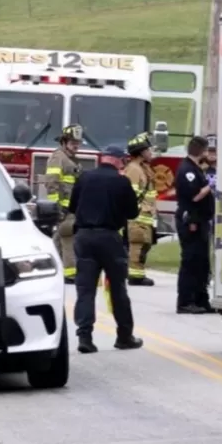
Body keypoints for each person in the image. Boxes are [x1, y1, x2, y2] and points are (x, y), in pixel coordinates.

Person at [68, 144, 143, 354]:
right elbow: (132, 213)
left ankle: (84, 337)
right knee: (118, 288)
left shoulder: (84, 178)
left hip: (84, 237)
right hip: (109, 238)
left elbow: (73, 207)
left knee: (85, 290)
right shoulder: (121, 182)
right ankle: (124, 336)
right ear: (118, 160)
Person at [174, 136, 216, 314]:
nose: (208, 154)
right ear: (200, 151)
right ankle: (185, 301)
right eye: (207, 150)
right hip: (191, 220)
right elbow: (195, 196)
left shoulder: (197, 169)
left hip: (201, 220)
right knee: (191, 261)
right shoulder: (187, 170)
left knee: (202, 262)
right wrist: (211, 186)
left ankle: (201, 299)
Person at [45, 125, 83, 283]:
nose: (76, 146)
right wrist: (57, 207)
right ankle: (70, 273)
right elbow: (52, 183)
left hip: (71, 207)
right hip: (64, 208)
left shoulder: (69, 159)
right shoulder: (58, 158)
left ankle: (50, 268)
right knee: (68, 236)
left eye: (78, 143)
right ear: (64, 142)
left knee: (59, 237)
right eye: (73, 142)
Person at [123, 132, 158, 287]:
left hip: (145, 215)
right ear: (141, 152)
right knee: (137, 245)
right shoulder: (133, 169)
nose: (151, 153)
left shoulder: (143, 168)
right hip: (137, 217)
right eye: (148, 150)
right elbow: (130, 195)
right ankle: (135, 276)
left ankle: (138, 273)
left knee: (144, 245)